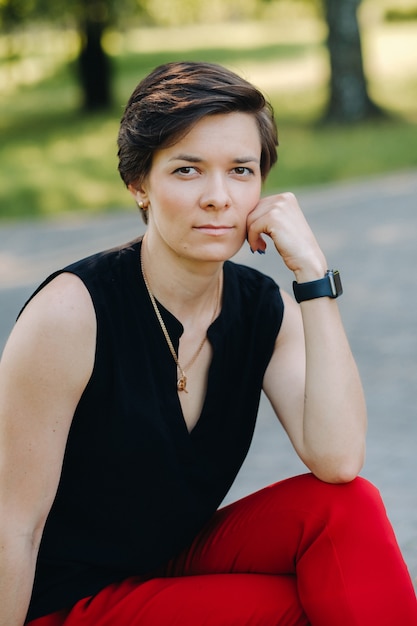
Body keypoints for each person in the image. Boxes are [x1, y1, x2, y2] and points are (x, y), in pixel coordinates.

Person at [0, 61, 416, 626]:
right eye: (188, 170)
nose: (219, 197)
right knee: (312, 605)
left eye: (241, 170)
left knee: (347, 510)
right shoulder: (72, 314)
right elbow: (12, 525)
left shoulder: (260, 307)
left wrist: (314, 278)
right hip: (69, 599)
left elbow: (339, 460)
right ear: (139, 183)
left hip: (169, 560)